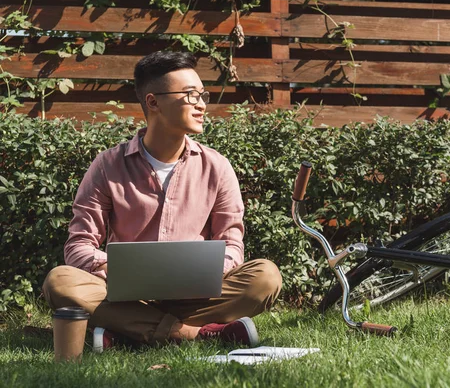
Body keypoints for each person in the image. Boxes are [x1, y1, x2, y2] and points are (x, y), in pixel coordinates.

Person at [42, 51, 282, 348]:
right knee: (59, 281)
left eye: (202, 95)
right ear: (153, 102)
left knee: (265, 277)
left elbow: (232, 243)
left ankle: (127, 330)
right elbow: (78, 245)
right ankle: (197, 333)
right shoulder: (107, 165)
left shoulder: (217, 166)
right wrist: (110, 268)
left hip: (196, 297)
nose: (201, 104)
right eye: (190, 95)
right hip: (124, 294)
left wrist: (202, 273)